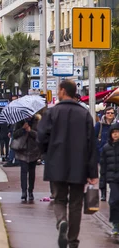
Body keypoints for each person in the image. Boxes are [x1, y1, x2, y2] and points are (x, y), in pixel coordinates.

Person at [38, 80, 98, 248]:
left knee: (59, 198)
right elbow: (92, 145)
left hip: (56, 162)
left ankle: (61, 221)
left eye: (58, 90)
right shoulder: (85, 114)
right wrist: (93, 172)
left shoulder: (51, 113)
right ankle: (73, 241)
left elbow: (41, 137)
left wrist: (47, 152)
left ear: (63, 91)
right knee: (76, 203)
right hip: (79, 165)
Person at [14, 115, 41, 202]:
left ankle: (30, 191)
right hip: (22, 150)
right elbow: (14, 135)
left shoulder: (37, 122)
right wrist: (22, 129)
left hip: (34, 150)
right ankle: (24, 191)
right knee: (24, 171)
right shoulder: (20, 121)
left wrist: (30, 131)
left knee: (32, 172)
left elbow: (40, 136)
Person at [99, 123, 119, 235]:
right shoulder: (106, 148)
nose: (115, 134)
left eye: (117, 132)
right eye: (113, 132)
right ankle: (116, 224)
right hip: (113, 179)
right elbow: (103, 167)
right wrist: (102, 185)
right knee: (114, 200)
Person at [95, 106, 116, 201]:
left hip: (115, 153)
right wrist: (98, 148)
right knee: (103, 173)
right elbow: (93, 137)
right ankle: (103, 193)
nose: (110, 115)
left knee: (114, 174)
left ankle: (113, 191)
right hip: (102, 153)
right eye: (108, 113)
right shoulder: (99, 125)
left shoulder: (117, 125)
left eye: (112, 113)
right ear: (105, 114)